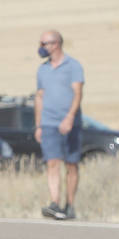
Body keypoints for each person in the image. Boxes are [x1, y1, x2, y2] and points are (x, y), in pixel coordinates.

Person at [34, 30, 84, 220]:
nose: (41, 47)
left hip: (70, 123)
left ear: (56, 44)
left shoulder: (73, 66)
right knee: (52, 162)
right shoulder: (42, 69)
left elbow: (77, 93)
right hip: (48, 123)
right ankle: (55, 203)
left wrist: (70, 117)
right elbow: (39, 97)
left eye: (44, 43)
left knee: (71, 164)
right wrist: (38, 125)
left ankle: (69, 205)